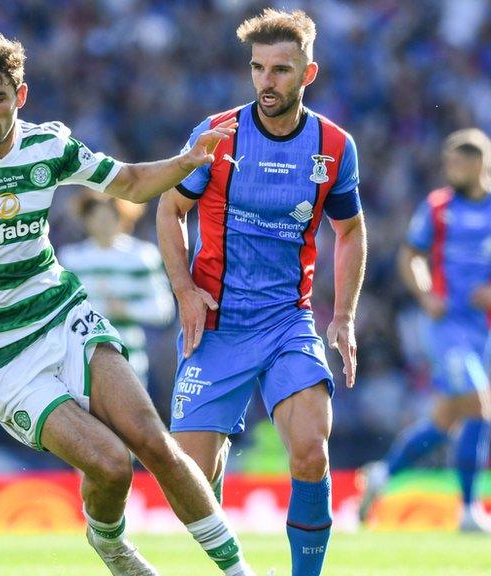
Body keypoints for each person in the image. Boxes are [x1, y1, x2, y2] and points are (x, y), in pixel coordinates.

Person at [0, 34, 254, 576]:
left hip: (62, 315)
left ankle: (239, 573)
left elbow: (133, 185)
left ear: (20, 95)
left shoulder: (50, 145)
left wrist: (188, 160)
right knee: (113, 466)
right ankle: (111, 545)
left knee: (154, 442)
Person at [156, 10, 366, 576]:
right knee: (192, 483)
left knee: (310, 448)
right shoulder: (218, 135)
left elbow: (349, 231)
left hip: (286, 322)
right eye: (258, 69)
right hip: (217, 321)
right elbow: (171, 208)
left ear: (308, 72)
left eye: (280, 70)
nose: (266, 82)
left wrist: (343, 316)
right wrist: (184, 290)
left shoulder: (333, 146)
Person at [357, 128, 491, 533]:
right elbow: (410, 256)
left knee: (445, 420)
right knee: (481, 407)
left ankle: (382, 474)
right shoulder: (438, 206)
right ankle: (468, 511)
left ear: (479, 164)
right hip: (444, 326)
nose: (449, 170)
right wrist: (426, 293)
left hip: (485, 327)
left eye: (456, 163)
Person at [59, 191, 174, 388]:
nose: (103, 222)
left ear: (123, 217)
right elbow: (61, 310)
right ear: (85, 220)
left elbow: (164, 310)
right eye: (96, 216)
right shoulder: (71, 258)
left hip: (130, 356)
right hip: (80, 358)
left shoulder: (143, 256)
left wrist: (126, 309)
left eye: (109, 216)